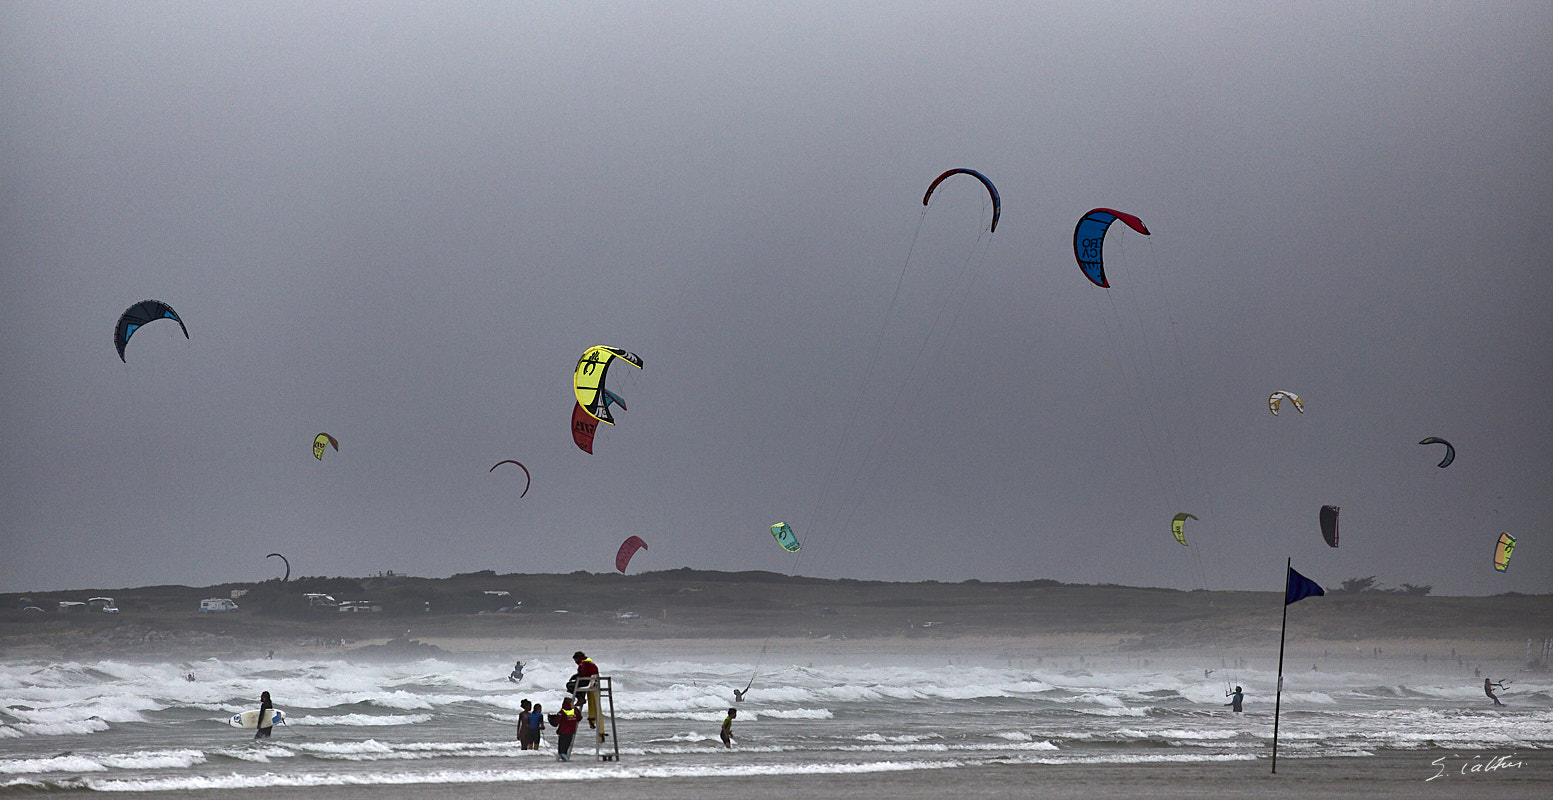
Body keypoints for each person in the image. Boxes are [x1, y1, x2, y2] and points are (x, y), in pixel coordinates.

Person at [569, 651, 600, 728]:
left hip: (587, 681)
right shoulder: (588, 662)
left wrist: (575, 677)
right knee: (574, 686)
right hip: (592, 681)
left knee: (569, 685)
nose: (575, 662)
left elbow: (582, 673)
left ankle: (581, 699)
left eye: (575, 660)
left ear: (577, 658)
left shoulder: (583, 663)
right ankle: (581, 698)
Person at [549, 697, 581, 761]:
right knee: (566, 746)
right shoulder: (574, 711)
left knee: (561, 748)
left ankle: (563, 759)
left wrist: (550, 719)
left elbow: (556, 723)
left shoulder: (562, 712)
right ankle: (564, 758)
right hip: (571, 731)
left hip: (563, 731)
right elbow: (579, 718)